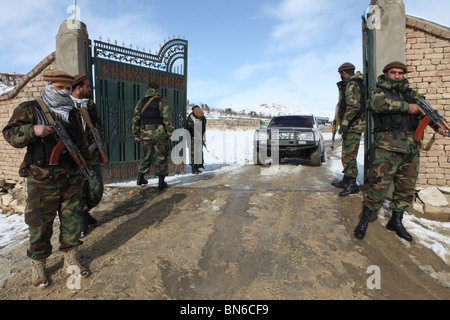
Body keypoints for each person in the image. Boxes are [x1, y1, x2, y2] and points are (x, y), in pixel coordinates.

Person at [2, 70, 91, 289]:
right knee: (40, 225)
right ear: (49, 86)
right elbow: (10, 134)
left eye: (67, 89)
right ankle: (38, 266)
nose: (63, 92)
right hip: (42, 180)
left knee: (72, 221)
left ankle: (70, 259)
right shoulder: (31, 108)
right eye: (59, 88)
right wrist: (32, 130)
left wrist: (86, 166)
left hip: (70, 178)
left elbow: (80, 143)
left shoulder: (73, 112)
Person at [353, 61, 449, 241]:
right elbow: (376, 104)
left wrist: (439, 127)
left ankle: (396, 221)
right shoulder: (378, 92)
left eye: (400, 73)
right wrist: (407, 107)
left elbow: (426, 112)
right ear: (386, 73)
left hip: (411, 149)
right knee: (378, 186)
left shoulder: (410, 93)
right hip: (387, 149)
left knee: (406, 188)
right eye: (394, 72)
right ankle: (364, 220)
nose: (397, 76)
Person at [71, 74, 103, 238]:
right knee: (79, 189)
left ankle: (85, 210)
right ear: (78, 88)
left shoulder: (90, 104)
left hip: (92, 151)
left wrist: (100, 144)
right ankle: (83, 217)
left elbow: (97, 124)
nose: (90, 89)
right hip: (73, 154)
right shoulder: (66, 104)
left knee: (96, 190)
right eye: (88, 86)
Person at [332, 63, 366, 196]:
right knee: (346, 154)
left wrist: (345, 122)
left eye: (340, 73)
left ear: (344, 72)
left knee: (349, 156)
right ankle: (346, 179)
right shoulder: (351, 84)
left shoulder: (352, 85)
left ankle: (352, 184)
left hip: (353, 126)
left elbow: (354, 106)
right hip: (352, 125)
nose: (340, 76)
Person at [132, 82, 174, 189]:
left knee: (146, 156)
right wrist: (170, 133)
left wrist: (136, 134)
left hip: (145, 134)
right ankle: (161, 182)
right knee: (161, 157)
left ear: (148, 89)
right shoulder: (161, 102)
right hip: (160, 135)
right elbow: (167, 118)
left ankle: (140, 178)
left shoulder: (140, 102)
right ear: (157, 90)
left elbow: (136, 119)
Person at [186, 105, 206, 174]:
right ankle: (194, 168)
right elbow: (187, 129)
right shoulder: (189, 119)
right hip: (191, 137)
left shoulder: (203, 118)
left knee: (199, 151)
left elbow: (203, 128)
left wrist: (202, 138)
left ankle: (199, 166)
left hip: (199, 136)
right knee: (193, 152)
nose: (200, 117)